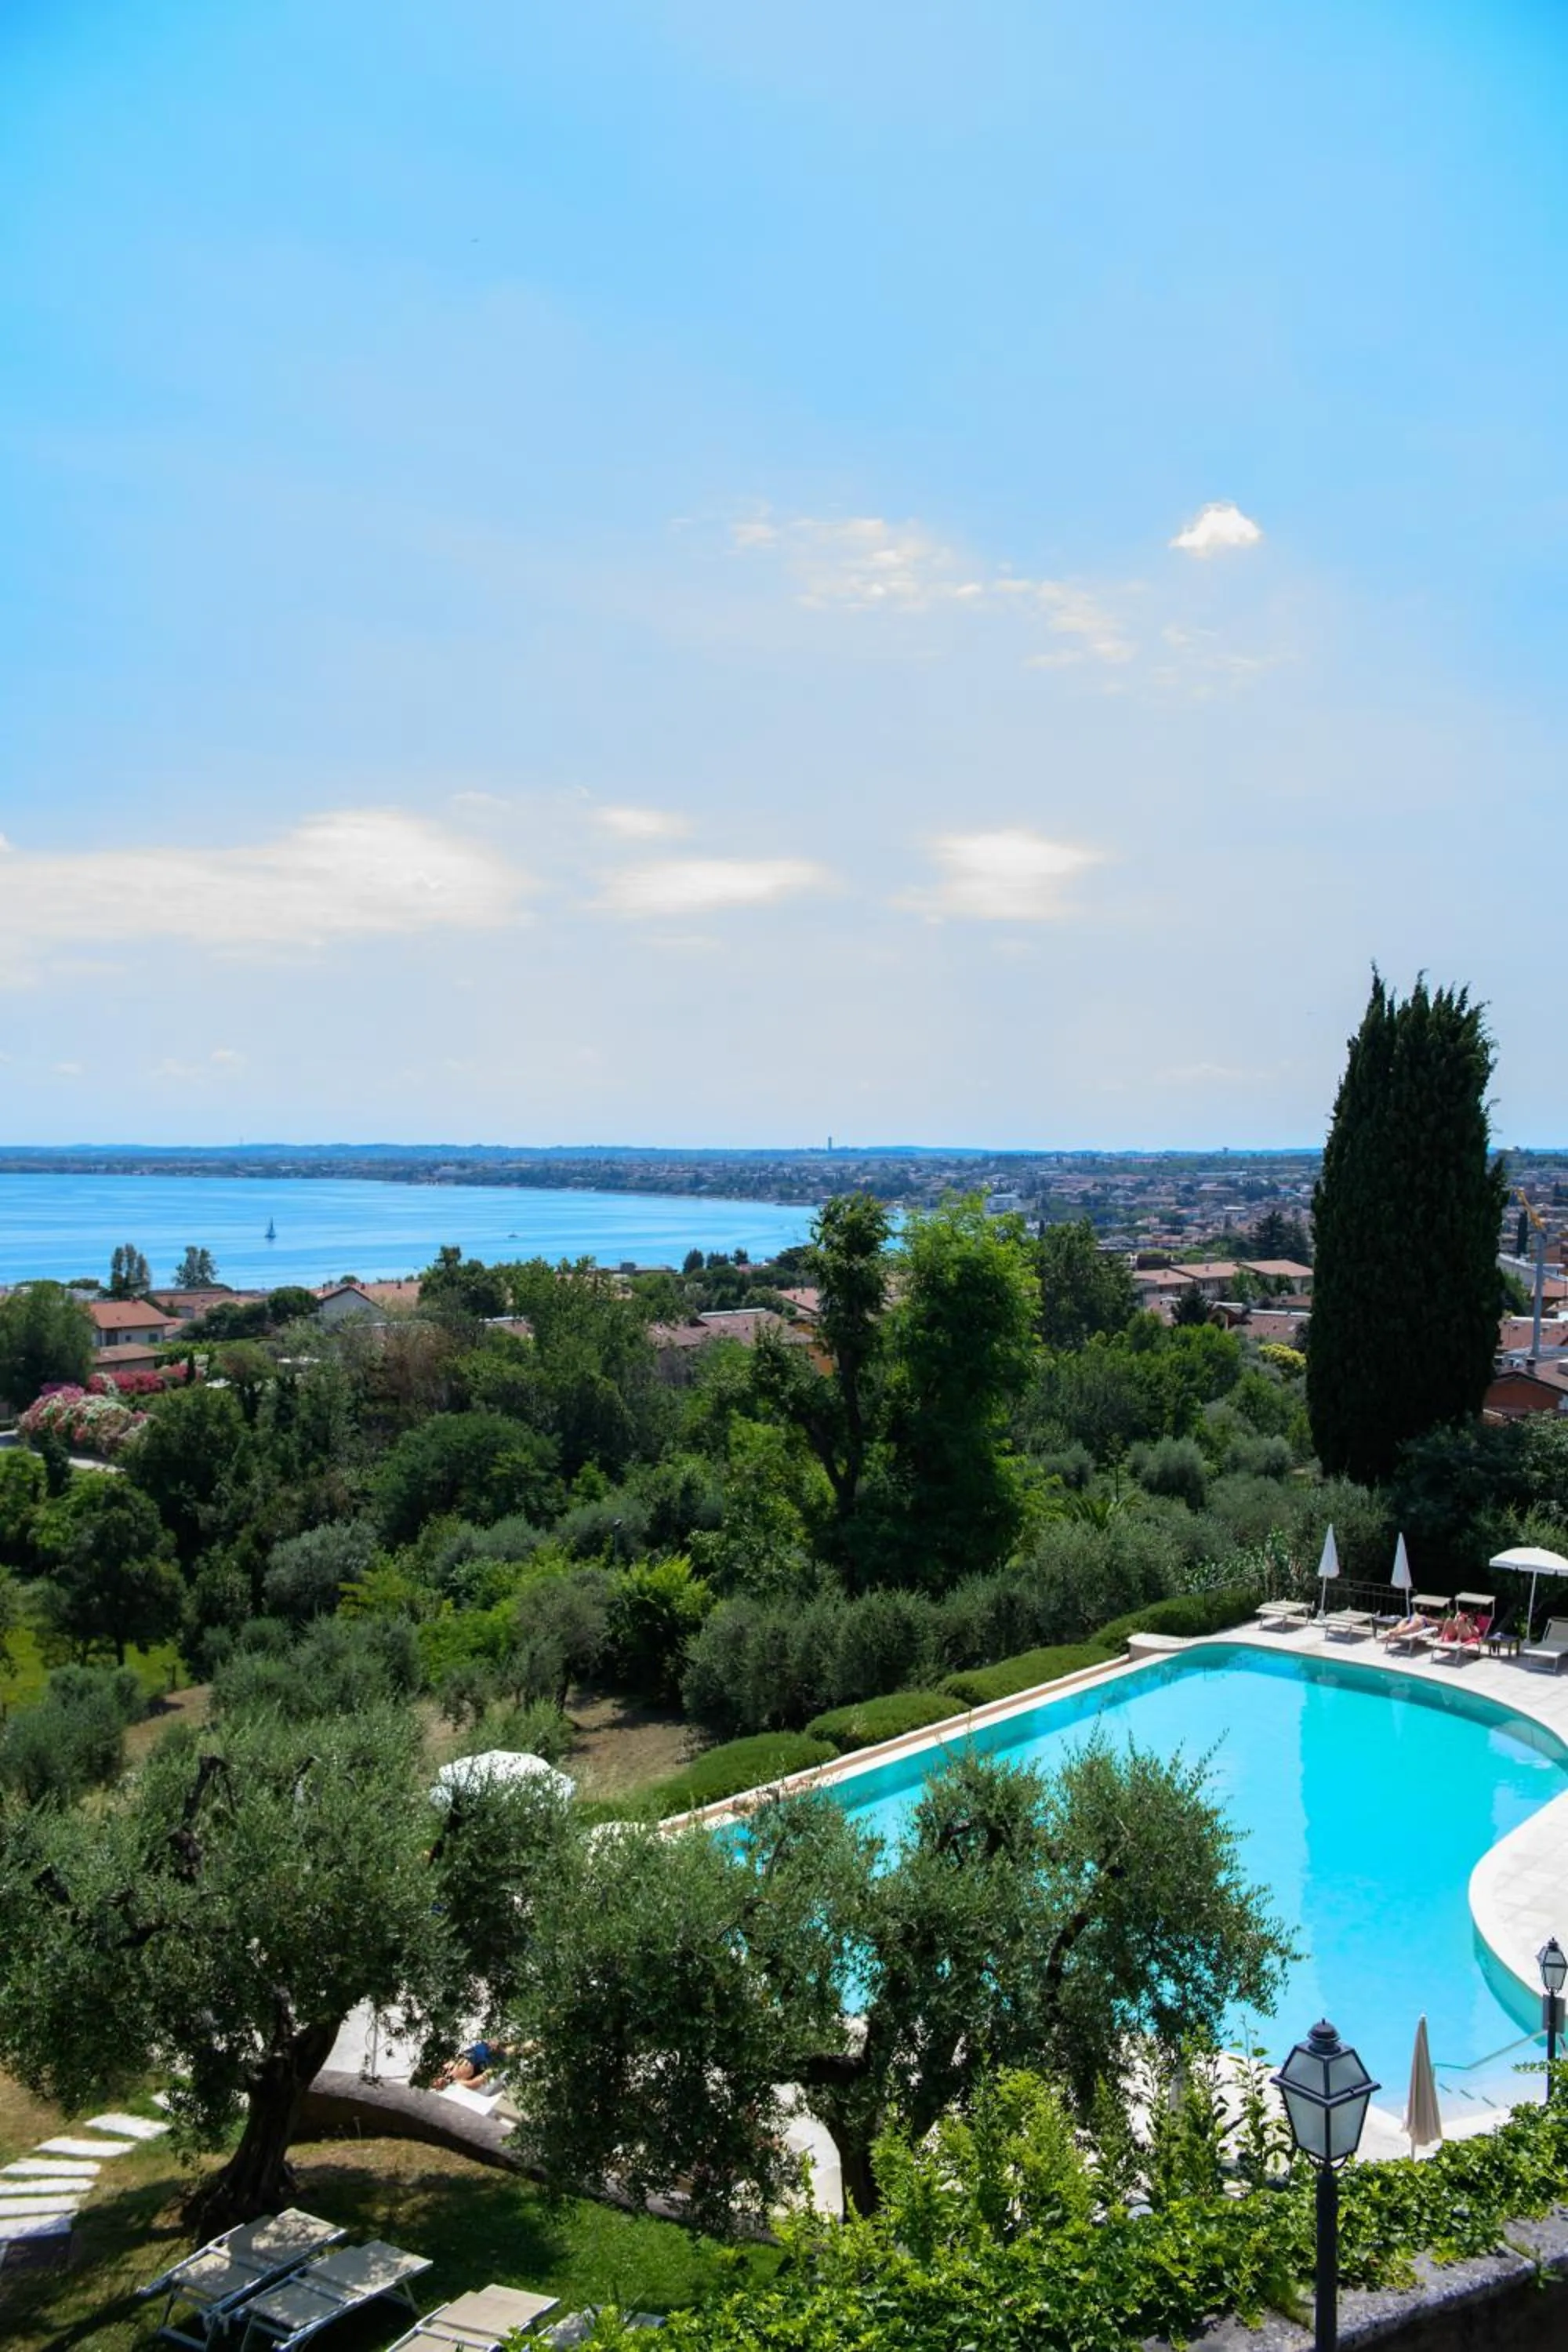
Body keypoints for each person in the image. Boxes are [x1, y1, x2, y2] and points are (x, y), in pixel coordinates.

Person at [434, 2038, 511, 2089]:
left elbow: (454, 2057)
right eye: (438, 2085)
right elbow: (475, 2083)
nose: (439, 2083)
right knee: (505, 2053)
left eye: (437, 2082)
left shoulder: (445, 2068)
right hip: (480, 2065)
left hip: (475, 2054)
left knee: (497, 2044)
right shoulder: (459, 2082)